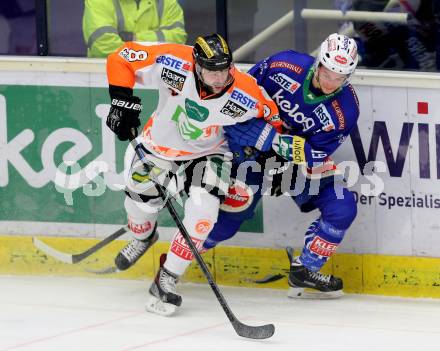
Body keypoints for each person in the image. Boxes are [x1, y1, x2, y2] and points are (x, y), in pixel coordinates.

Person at [105, 33, 282, 315]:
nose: (218, 77)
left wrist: (272, 153)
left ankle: (168, 277)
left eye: (224, 70)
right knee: (140, 205)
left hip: (210, 153)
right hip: (158, 148)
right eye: (211, 70)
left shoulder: (246, 91)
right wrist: (121, 100)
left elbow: (273, 119)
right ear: (197, 65)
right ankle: (143, 236)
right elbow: (120, 58)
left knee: (203, 214)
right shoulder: (173, 60)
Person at [202, 33, 360, 299]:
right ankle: (173, 264)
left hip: (290, 164)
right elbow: (237, 97)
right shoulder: (283, 65)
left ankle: (305, 271)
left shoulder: (346, 110)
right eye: (328, 72)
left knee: (343, 206)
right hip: (247, 151)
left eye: (340, 77)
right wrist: (258, 144)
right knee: (227, 223)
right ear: (318, 63)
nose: (331, 82)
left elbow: (316, 154)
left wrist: (283, 161)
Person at [83, 0, 187, 58]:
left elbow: (178, 40)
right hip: (106, 79)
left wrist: (133, 38)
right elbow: (103, 46)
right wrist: (149, 52)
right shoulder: (98, 1)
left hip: (156, 81)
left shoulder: (167, 2)